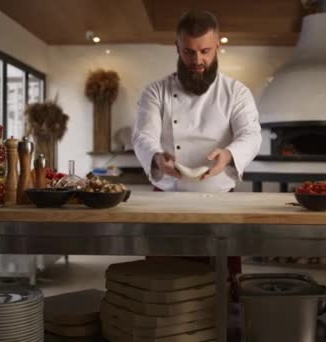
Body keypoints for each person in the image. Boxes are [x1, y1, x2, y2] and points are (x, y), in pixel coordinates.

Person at [132, 10, 262, 297]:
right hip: (166, 201)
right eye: (189, 52)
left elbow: (251, 134)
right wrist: (156, 156)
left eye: (205, 51)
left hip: (219, 203)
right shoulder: (156, 92)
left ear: (218, 46)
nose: (197, 60)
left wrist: (228, 155)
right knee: (162, 288)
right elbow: (143, 135)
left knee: (222, 290)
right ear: (176, 47)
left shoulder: (236, 92)